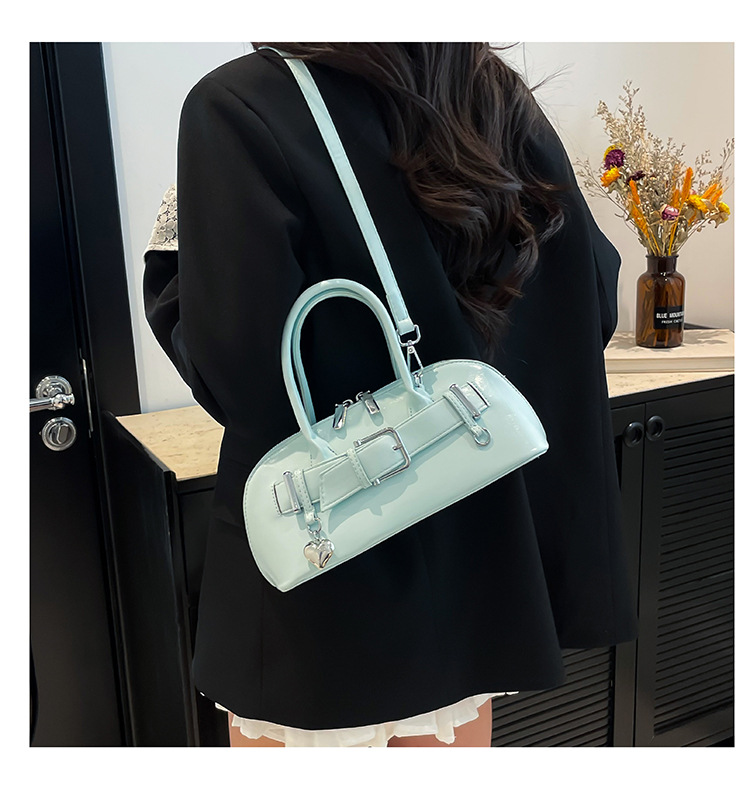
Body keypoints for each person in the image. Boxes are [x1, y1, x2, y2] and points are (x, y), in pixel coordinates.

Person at [143, 42, 638, 748]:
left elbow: (244, 374)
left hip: (327, 580)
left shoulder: (241, 104)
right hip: (479, 564)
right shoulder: (487, 88)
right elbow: (590, 297)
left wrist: (171, 277)